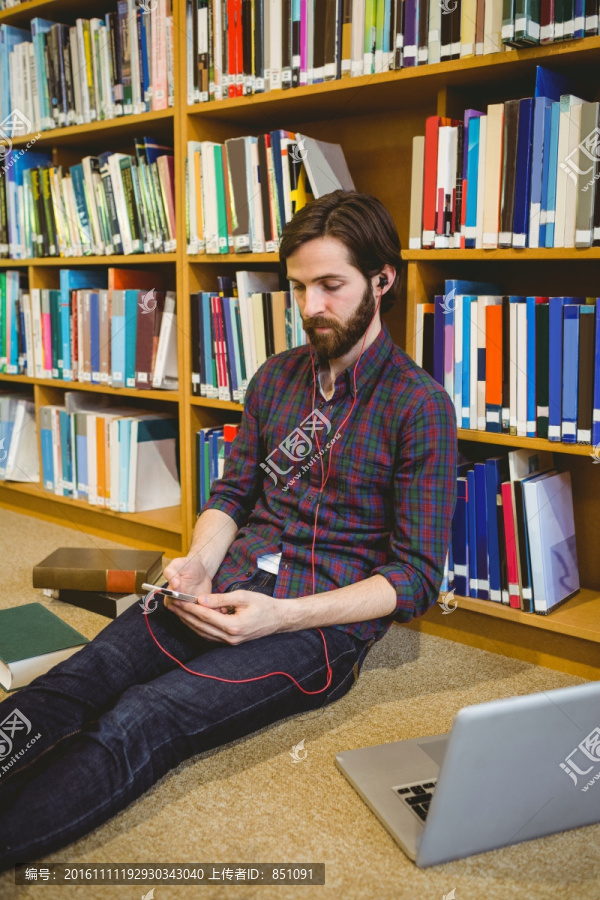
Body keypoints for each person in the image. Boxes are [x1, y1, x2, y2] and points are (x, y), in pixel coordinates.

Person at [0, 190, 457, 870]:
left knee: (143, 717)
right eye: (299, 287)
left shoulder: (420, 407)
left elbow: (416, 577)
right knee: (78, 678)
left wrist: (281, 617)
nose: (312, 307)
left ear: (383, 279)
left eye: (332, 285)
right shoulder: (274, 378)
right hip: (224, 582)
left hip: (314, 623)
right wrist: (198, 562)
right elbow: (236, 491)